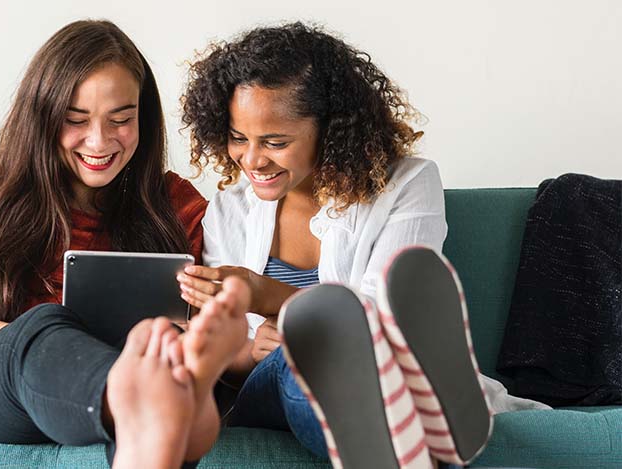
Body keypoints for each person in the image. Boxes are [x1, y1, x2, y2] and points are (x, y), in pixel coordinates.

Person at [0, 19, 248, 468]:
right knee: (47, 325)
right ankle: (136, 393)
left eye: (121, 119)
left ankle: (147, 417)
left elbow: (214, 323)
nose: (100, 141)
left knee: (168, 375)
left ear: (142, 116)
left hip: (121, 399)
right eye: (75, 120)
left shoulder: (177, 205)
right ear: (43, 118)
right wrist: (55, 344)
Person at [178, 22, 492, 469]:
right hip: (274, 386)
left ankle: (416, 425)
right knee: (299, 362)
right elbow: (224, 359)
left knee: (343, 347)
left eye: (275, 142)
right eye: (238, 138)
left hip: (378, 370)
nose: (252, 160)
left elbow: (384, 324)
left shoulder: (406, 185)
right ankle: (427, 422)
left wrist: (268, 296)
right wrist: (252, 350)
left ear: (329, 129)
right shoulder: (229, 209)